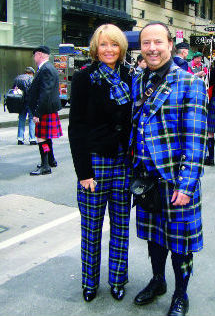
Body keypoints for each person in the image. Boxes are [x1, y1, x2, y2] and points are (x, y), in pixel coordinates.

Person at [130, 22, 207, 316]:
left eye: (157, 42)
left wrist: (186, 186)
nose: (151, 48)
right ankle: (158, 281)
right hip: (147, 180)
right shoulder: (139, 80)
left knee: (181, 243)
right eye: (146, 43)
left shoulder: (190, 83)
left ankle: (180, 293)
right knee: (155, 237)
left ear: (170, 45)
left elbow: (196, 140)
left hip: (176, 180)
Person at [68, 24, 132, 303]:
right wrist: (84, 172)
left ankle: (118, 280)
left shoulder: (132, 76)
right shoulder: (84, 79)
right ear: (96, 48)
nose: (109, 50)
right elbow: (76, 128)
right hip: (95, 165)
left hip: (124, 164)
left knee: (120, 227)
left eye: (114, 44)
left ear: (122, 48)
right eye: (104, 45)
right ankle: (89, 282)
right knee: (91, 228)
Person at [28, 46, 62, 175]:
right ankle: (51, 160)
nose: (34, 58)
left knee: (41, 138)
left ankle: (45, 166)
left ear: (39, 54)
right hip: (47, 109)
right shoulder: (48, 68)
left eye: (34, 55)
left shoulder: (46, 69)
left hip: (44, 110)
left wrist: (37, 112)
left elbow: (45, 93)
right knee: (47, 137)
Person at [12, 67, 36, 145]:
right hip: (30, 102)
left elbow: (14, 90)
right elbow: (33, 91)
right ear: (31, 73)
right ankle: (32, 139)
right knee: (31, 119)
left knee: (21, 119)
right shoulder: (31, 79)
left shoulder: (17, 78)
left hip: (20, 102)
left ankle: (20, 138)